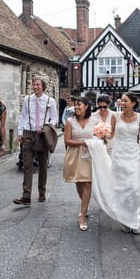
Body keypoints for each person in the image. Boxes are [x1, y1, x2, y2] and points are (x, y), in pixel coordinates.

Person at [88, 92, 140, 235]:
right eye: (121, 101)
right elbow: (112, 134)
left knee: (134, 188)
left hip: (133, 155)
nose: (122, 103)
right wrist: (100, 133)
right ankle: (125, 220)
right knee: (121, 188)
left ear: (133, 103)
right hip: (118, 154)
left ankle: (134, 220)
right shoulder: (115, 117)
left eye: (125, 101)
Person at [13, 78, 58, 206]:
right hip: (28, 133)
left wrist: (47, 127)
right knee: (27, 165)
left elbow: (54, 118)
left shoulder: (50, 101)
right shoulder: (27, 100)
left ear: (43, 87)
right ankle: (26, 196)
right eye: (33, 84)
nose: (35, 86)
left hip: (42, 135)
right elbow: (23, 116)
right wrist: (20, 132)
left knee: (42, 165)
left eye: (38, 85)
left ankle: (41, 192)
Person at [63, 97, 96, 231]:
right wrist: (84, 143)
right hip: (75, 155)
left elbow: (99, 137)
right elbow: (67, 141)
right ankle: (85, 206)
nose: (76, 108)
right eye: (75, 106)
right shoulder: (70, 122)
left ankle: (82, 215)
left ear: (87, 106)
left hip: (89, 155)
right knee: (79, 182)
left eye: (79, 105)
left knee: (87, 182)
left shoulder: (94, 121)